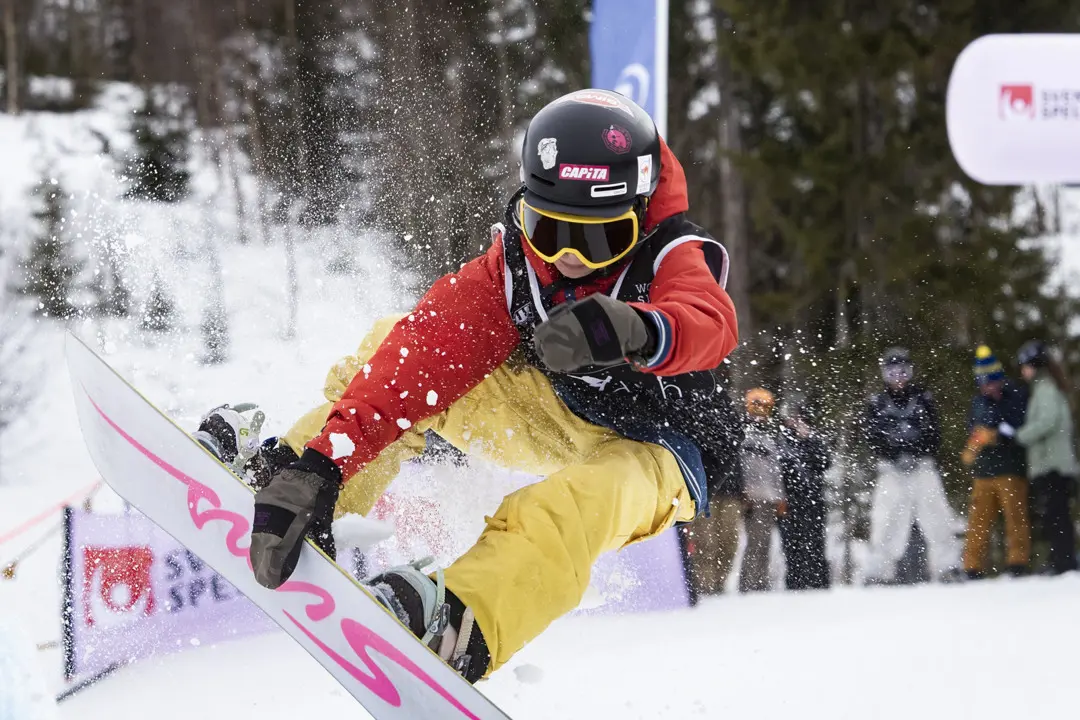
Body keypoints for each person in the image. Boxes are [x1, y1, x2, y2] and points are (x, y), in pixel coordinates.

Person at [195, 89, 740, 682]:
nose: (567, 258)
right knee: (393, 349)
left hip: (661, 450)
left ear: (637, 219)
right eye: (548, 229)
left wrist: (637, 328)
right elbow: (422, 359)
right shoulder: (515, 267)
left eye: (597, 238)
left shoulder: (670, 254)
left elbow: (711, 323)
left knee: (568, 508)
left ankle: (462, 625)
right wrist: (325, 464)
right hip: (553, 414)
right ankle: (297, 478)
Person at [862, 347, 960, 584]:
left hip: (922, 467)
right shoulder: (877, 402)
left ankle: (949, 566)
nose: (898, 378)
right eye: (893, 373)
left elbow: (935, 434)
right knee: (885, 518)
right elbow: (871, 436)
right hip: (891, 469)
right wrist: (893, 451)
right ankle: (879, 571)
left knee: (936, 513)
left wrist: (917, 450)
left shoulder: (923, 398)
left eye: (903, 372)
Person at [960, 345, 1031, 578]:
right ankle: (972, 567)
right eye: (982, 383)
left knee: (1015, 518)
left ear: (998, 379)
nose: (986, 387)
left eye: (989, 382)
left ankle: (1017, 564)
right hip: (984, 471)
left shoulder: (1016, 396)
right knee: (978, 521)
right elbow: (973, 427)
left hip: (1010, 468)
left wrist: (998, 435)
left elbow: (1020, 429)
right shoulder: (978, 401)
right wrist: (974, 443)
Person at [1014, 340, 1077, 575]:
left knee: (1056, 515)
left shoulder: (1046, 389)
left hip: (1053, 464)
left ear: (1035, 365)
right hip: (1050, 464)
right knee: (1054, 514)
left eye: (1025, 366)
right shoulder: (1044, 388)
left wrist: (1019, 436)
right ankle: (1060, 560)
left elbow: (1047, 422)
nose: (1022, 371)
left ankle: (1063, 562)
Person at [778, 393, 832, 590]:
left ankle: (819, 581)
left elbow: (824, 462)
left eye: (798, 417)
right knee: (792, 545)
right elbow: (779, 470)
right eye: (792, 417)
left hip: (813, 500)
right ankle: (795, 582)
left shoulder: (813, 438)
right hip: (790, 501)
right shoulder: (780, 441)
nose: (795, 421)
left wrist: (808, 439)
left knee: (815, 541)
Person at [738, 388, 786, 593]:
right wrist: (743, 492)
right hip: (750, 496)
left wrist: (780, 496)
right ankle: (747, 583)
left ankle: (760, 582)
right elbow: (739, 467)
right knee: (752, 542)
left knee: (764, 541)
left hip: (768, 497)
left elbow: (775, 468)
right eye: (756, 405)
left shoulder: (771, 435)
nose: (759, 411)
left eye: (764, 406)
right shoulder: (742, 433)